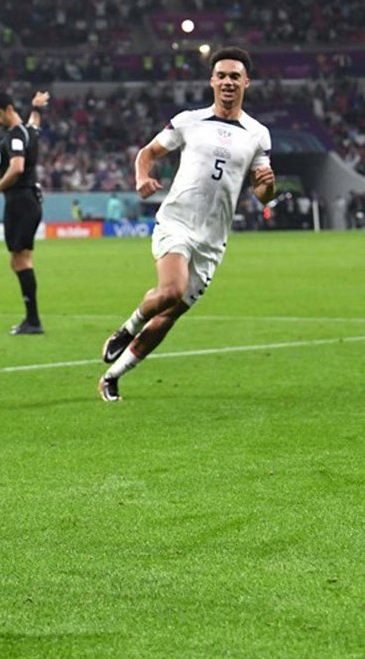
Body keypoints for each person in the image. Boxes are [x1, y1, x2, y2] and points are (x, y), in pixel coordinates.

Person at [98, 47, 274, 401]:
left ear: (246, 83)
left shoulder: (257, 134)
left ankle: (113, 376)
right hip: (177, 222)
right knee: (171, 290)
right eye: (221, 75)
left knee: (170, 315)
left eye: (234, 76)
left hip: (213, 239)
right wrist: (141, 177)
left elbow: (263, 195)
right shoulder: (188, 121)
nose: (228, 82)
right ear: (212, 81)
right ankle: (126, 329)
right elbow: (147, 153)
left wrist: (268, 186)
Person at [0, 90, 49, 335]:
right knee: (21, 260)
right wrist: (37, 107)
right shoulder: (29, 132)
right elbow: (35, 123)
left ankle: (33, 320)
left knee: (20, 261)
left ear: (9, 109)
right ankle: (32, 319)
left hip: (20, 201)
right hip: (28, 201)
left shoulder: (14, 136)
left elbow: (17, 167)